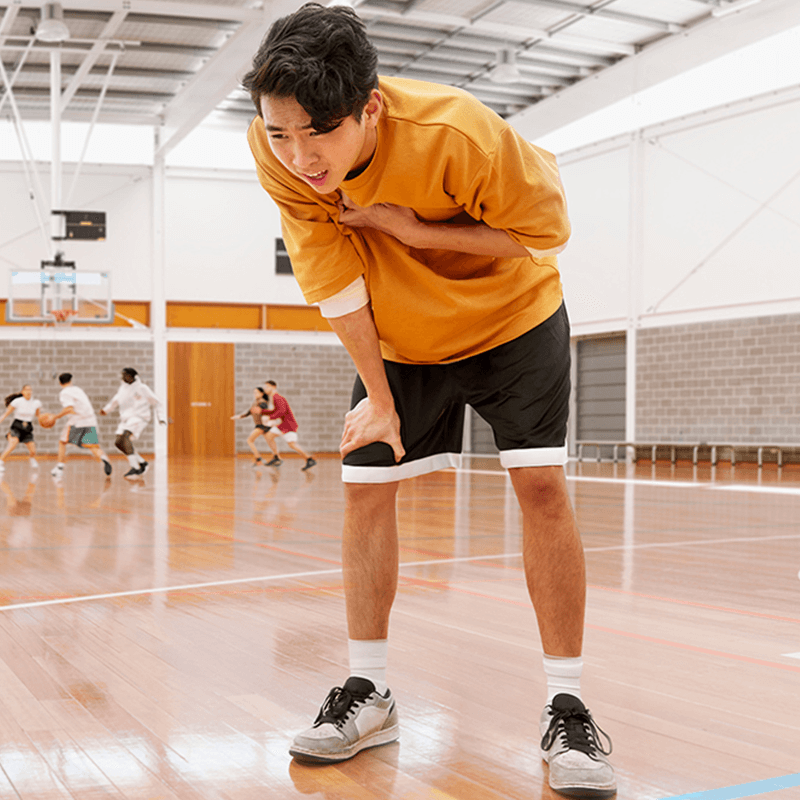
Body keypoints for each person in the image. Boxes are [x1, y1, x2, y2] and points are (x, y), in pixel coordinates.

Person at [242, 5, 614, 798]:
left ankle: (568, 706)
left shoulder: (464, 136)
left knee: (541, 488)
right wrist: (379, 398)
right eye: (280, 133)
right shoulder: (277, 151)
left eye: (319, 132)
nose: (300, 156)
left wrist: (413, 232)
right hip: (402, 340)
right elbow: (332, 279)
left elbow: (543, 235)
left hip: (514, 319)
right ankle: (369, 692)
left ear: (369, 106)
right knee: (364, 490)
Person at [99, 367, 165, 479]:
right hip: (126, 419)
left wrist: (161, 417)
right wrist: (106, 409)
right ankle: (142, 463)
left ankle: (135, 467)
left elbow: (157, 403)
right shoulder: (123, 388)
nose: (123, 377)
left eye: (125, 375)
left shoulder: (142, 388)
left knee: (125, 438)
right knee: (118, 442)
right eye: (122, 375)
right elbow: (115, 400)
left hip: (140, 417)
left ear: (132, 376)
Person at [51, 373, 112, 479]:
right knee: (91, 445)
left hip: (77, 421)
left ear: (60, 383)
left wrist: (56, 417)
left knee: (62, 442)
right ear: (71, 381)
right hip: (91, 420)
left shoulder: (64, 393)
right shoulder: (78, 390)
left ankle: (59, 468)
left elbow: (69, 408)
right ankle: (104, 458)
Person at [259, 380, 316, 470]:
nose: (265, 389)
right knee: (268, 436)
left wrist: (270, 417)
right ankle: (276, 457)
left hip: (288, 425)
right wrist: (263, 412)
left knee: (292, 444)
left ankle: (309, 459)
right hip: (284, 424)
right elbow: (276, 411)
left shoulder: (277, 397)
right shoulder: (275, 398)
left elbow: (281, 411)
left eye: (267, 387)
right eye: (265, 387)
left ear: (273, 387)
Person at [0, 385, 42, 472]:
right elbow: (6, 414)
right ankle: (1, 461)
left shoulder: (36, 403)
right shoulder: (17, 401)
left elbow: (38, 416)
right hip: (17, 426)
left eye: (30, 389)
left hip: (27, 428)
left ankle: (31, 459)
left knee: (33, 451)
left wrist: (45, 421)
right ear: (22, 392)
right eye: (26, 390)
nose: (28, 391)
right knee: (12, 444)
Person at [231, 387, 273, 467]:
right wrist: (237, 417)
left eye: (257, 393)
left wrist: (266, 418)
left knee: (250, 440)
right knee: (270, 442)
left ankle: (258, 458)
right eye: (254, 393)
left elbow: (266, 411)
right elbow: (248, 413)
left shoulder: (262, 402)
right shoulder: (255, 402)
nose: (255, 394)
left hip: (262, 426)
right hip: (259, 425)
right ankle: (271, 458)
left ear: (261, 394)